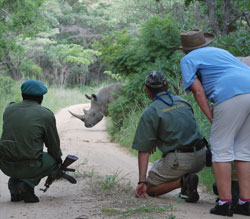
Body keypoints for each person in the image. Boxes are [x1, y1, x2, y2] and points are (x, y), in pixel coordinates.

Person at [179, 29, 250, 216]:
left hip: (230, 93)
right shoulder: (221, 52)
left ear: (184, 49)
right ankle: (245, 202)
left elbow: (198, 92)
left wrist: (211, 117)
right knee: (243, 150)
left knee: (220, 148)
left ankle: (224, 203)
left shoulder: (187, 59)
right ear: (204, 43)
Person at [132, 70, 206, 203]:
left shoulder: (151, 111)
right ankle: (187, 186)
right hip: (202, 156)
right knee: (174, 164)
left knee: (150, 188)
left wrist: (142, 181)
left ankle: (184, 181)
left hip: (180, 160)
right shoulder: (183, 102)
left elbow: (144, 150)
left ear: (147, 90)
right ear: (167, 86)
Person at [0, 80, 62, 203]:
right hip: (29, 166)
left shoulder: (8, 109)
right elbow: (53, 145)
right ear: (41, 97)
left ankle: (15, 190)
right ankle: (26, 185)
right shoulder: (45, 114)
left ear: (22, 95)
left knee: (18, 154)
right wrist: (58, 161)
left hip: (5, 165)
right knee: (53, 160)